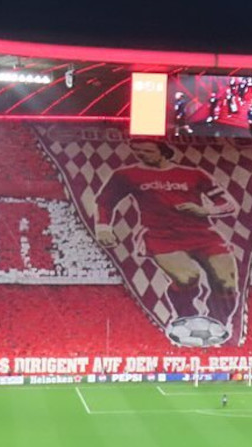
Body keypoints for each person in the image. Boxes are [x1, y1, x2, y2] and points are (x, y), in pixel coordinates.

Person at [93, 140, 241, 328]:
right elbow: (104, 202)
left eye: (148, 150)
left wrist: (207, 210)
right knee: (187, 277)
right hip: (160, 235)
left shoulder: (194, 174)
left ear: (163, 152)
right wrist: (103, 228)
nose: (141, 154)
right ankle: (186, 318)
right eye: (137, 150)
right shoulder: (126, 175)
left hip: (203, 234)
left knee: (226, 281)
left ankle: (217, 324)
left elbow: (228, 204)